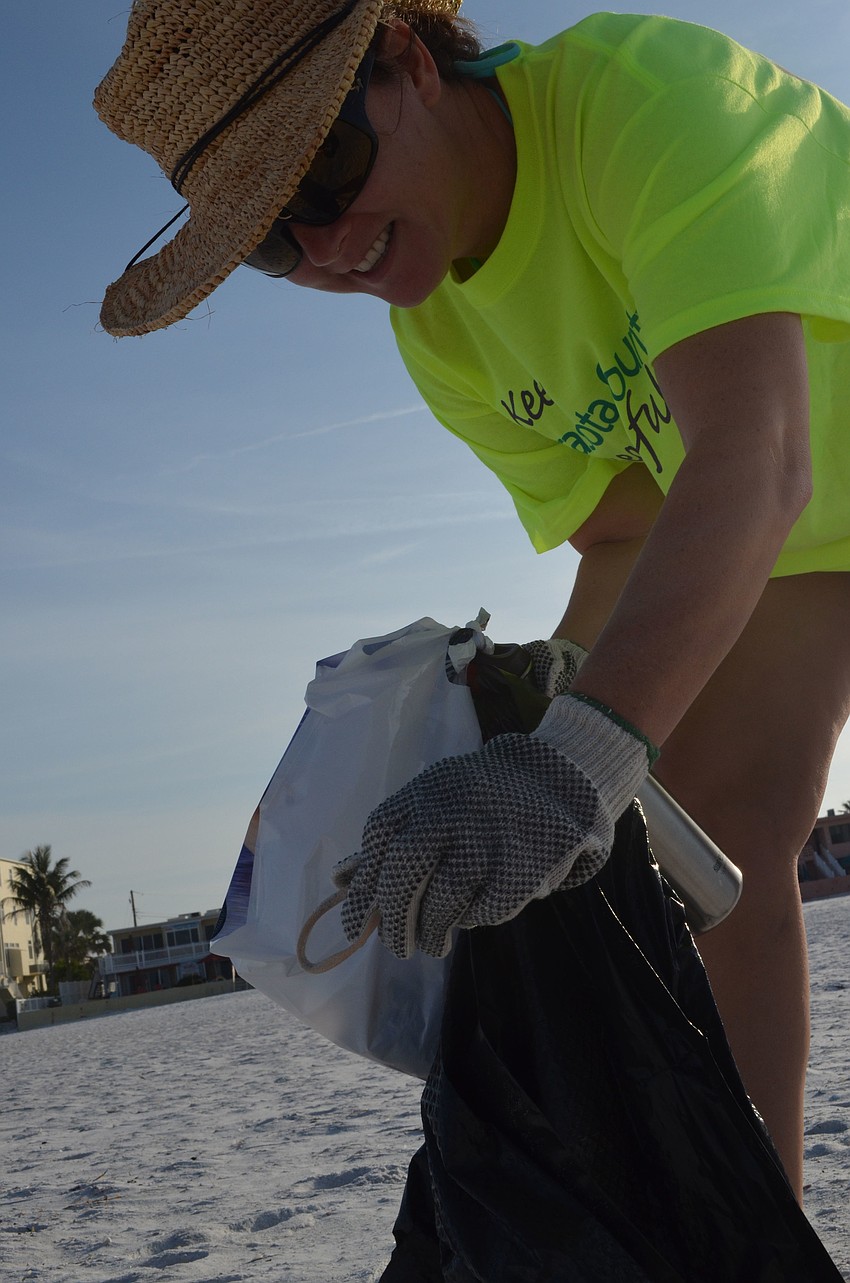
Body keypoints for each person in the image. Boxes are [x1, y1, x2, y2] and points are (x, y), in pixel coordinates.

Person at [94, 0, 850, 1203]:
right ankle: (746, 1233)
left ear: (407, 57)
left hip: (782, 483)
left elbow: (753, 459)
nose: (331, 244)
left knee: (696, 824)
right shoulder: (438, 322)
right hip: (800, 530)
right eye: (273, 240)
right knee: (701, 850)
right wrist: (507, 732)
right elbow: (619, 525)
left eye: (327, 169)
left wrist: (572, 761)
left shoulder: (635, 100)